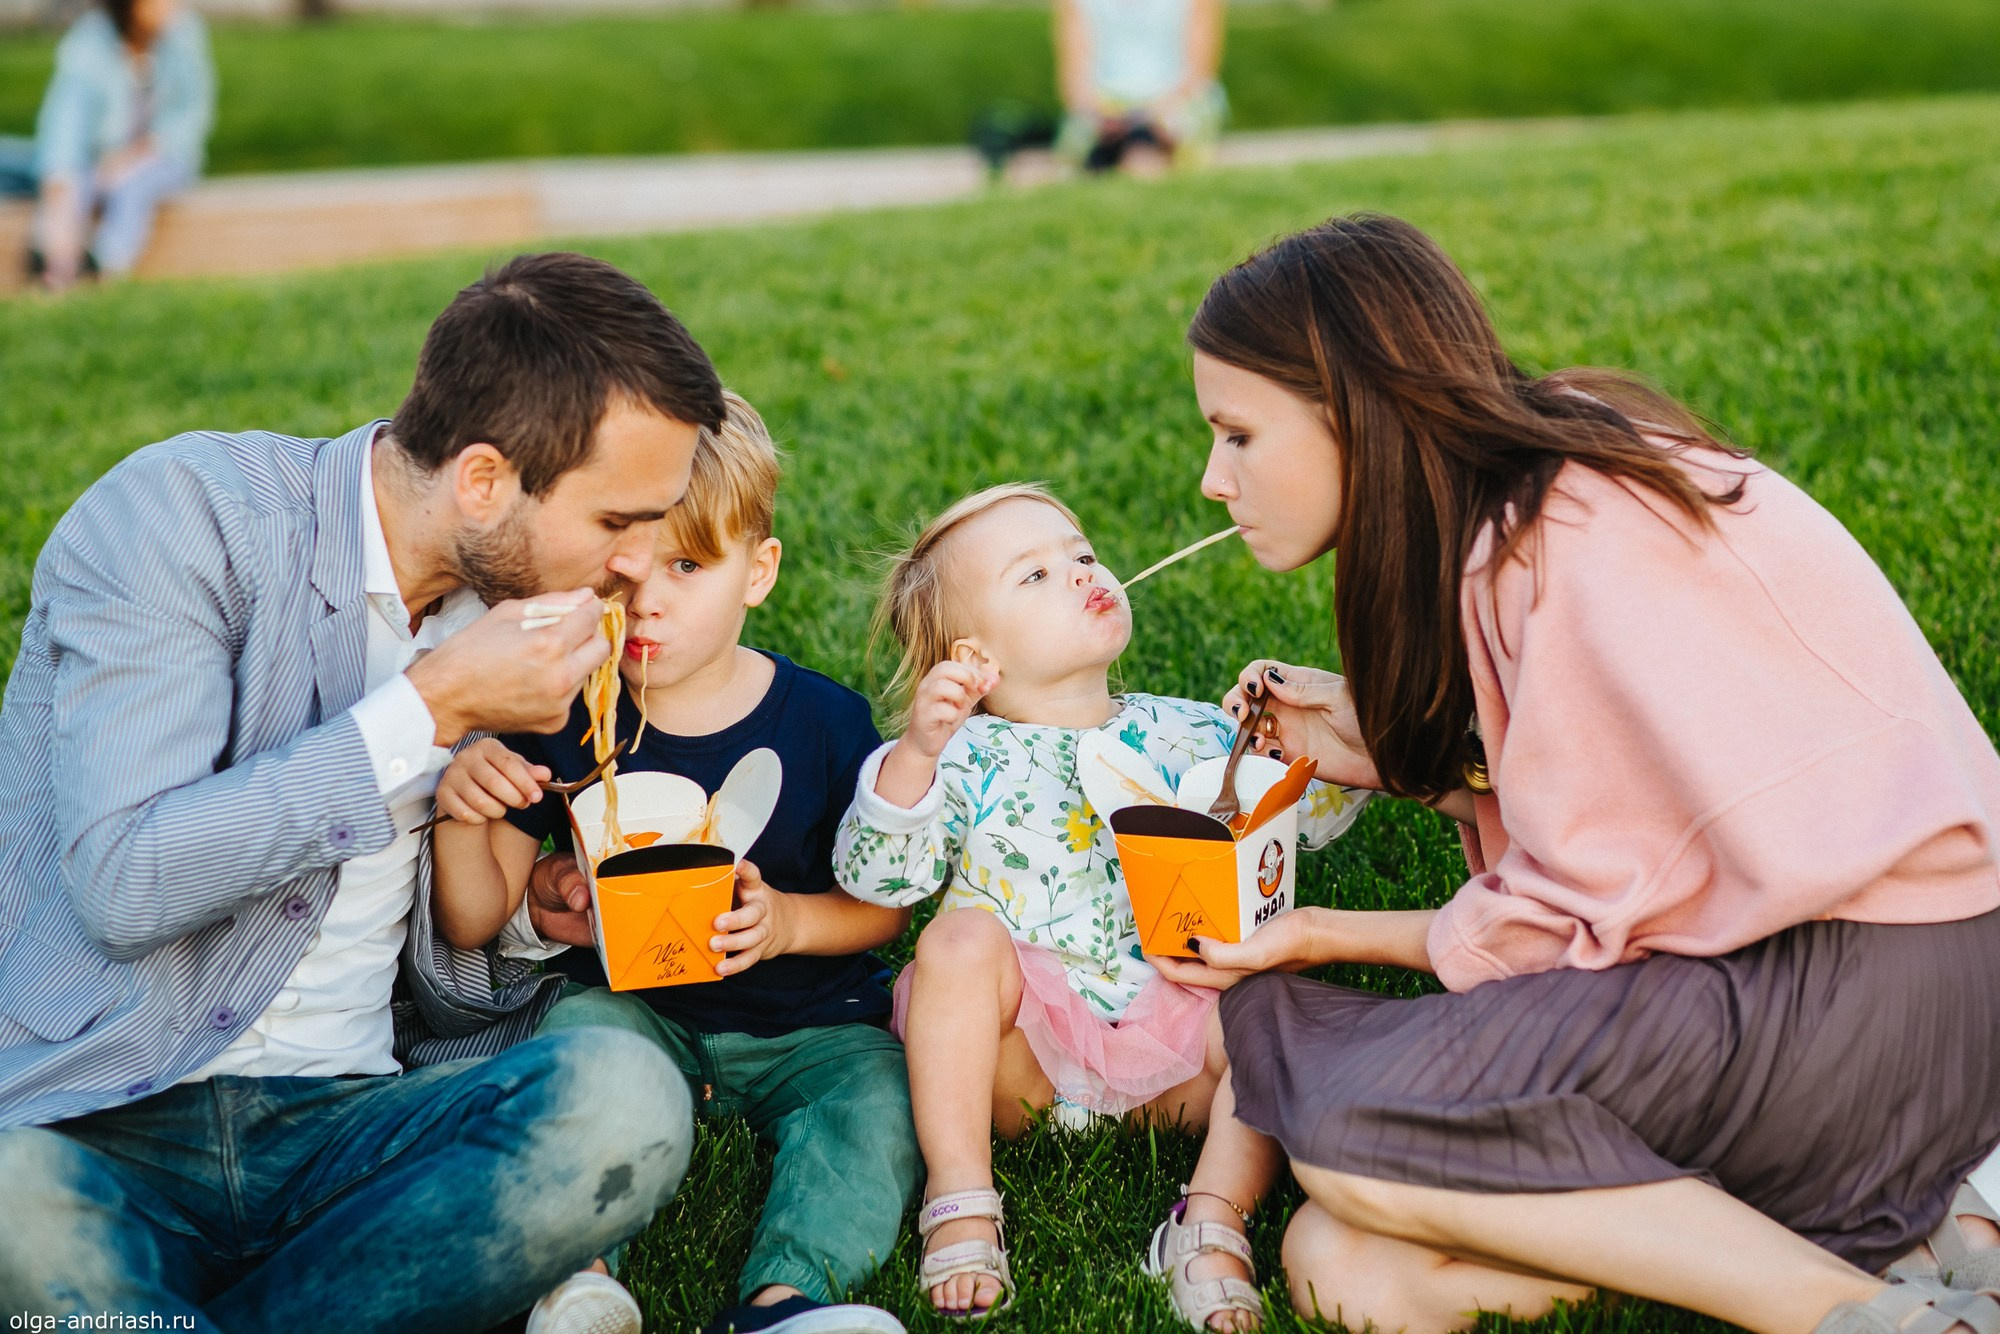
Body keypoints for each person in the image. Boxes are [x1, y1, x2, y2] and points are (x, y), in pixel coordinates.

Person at [1142, 213, 2000, 1334]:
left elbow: (1577, 916)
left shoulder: (1553, 533)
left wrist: (1315, 935)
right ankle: (1913, 1233)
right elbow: (1661, 810)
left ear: (1348, 410)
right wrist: (1411, 760)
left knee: (1354, 1138)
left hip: (1866, 979)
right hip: (1821, 967)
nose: (1214, 477)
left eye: (1238, 433)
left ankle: (1869, 1314)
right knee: (1341, 1263)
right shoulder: (1555, 483)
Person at [0, 251, 728, 1333]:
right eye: (617, 521)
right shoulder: (181, 519)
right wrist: (421, 711)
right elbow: (125, 880)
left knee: (625, 1098)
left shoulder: (522, 612)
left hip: (352, 1125)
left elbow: (445, 988)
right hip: (96, 1114)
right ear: (482, 481)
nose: (635, 562)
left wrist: (529, 914)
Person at [428, 391, 919, 1334]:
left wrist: (789, 924)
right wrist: (461, 811)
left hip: (809, 1023)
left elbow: (884, 908)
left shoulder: (826, 725)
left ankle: (788, 1299)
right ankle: (575, 1281)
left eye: (689, 565)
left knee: (876, 1100)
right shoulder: (566, 716)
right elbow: (473, 920)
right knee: (566, 1058)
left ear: (759, 571)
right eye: (627, 572)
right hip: (633, 1009)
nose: (648, 600)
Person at [833, 483, 1369, 1319]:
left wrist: (1290, 740)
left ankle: (1210, 1219)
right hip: (1021, 1067)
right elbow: (878, 878)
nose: (1083, 572)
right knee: (957, 945)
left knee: (1269, 1001)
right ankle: (962, 1195)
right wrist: (913, 755)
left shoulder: (1192, 730)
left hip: (1179, 1059)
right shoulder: (964, 755)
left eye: (1081, 554)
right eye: (1035, 575)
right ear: (975, 657)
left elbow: (1310, 816)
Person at [22, 0, 214, 291]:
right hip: (102, 158)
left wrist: (139, 156)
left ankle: (104, 266)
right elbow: (66, 120)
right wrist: (61, 182)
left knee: (132, 188)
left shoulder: (184, 34)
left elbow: (191, 113)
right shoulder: (90, 42)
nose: (170, 6)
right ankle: (55, 259)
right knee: (78, 185)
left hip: (166, 155)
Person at [1053, 0, 1224, 175]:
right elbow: (1074, 81)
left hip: (1177, 101)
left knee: (1181, 125)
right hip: (1105, 103)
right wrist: (1101, 114)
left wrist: (1152, 114)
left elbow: (1198, 72)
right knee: (1082, 134)